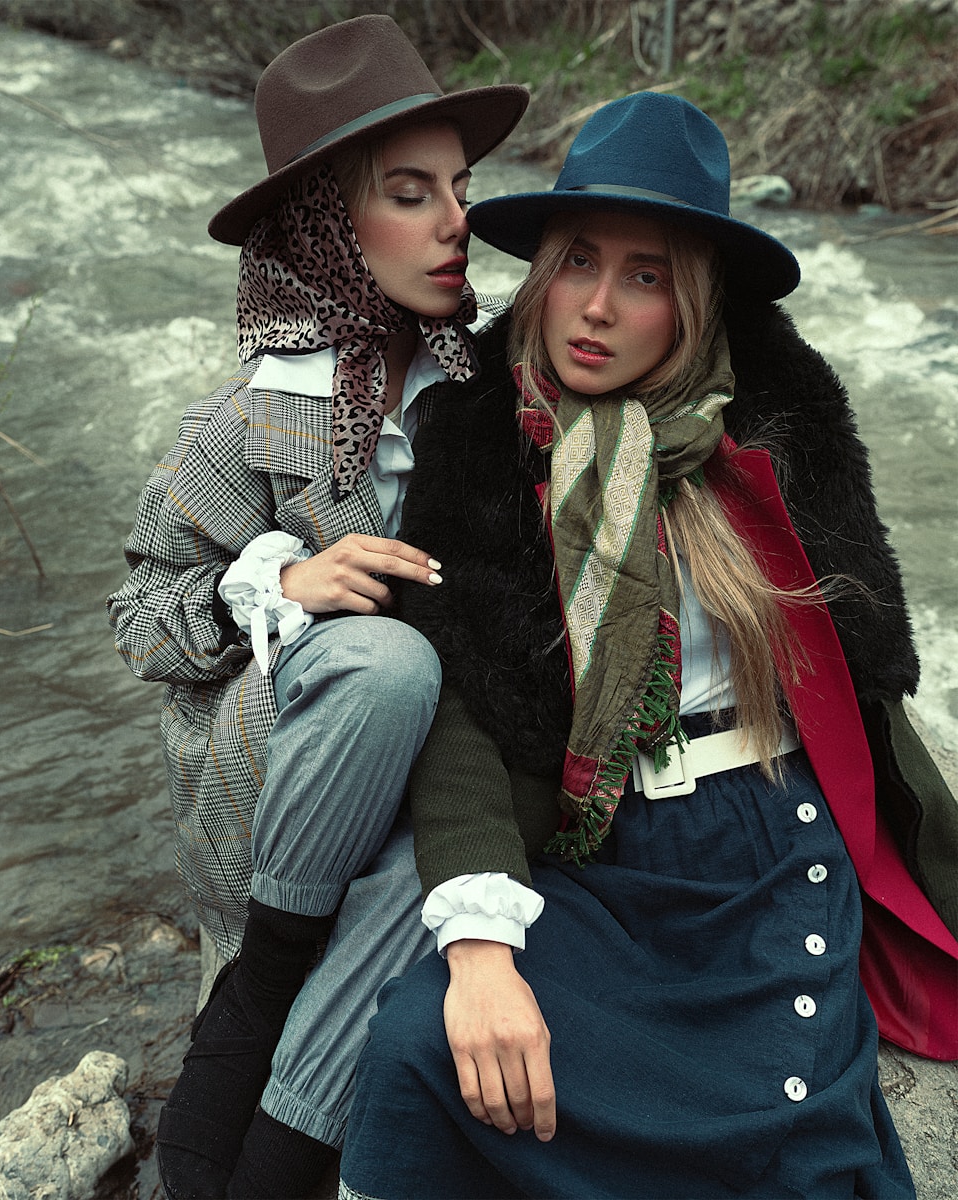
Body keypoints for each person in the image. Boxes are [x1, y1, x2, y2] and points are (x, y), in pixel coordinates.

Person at [336, 92, 958, 1199]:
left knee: (778, 1138)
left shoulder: (774, 429)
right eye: (579, 261)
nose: (596, 307)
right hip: (598, 850)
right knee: (424, 1049)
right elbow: (465, 695)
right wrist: (478, 948)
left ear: (693, 303)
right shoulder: (481, 435)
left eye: (645, 275)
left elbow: (863, 677)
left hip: (761, 843)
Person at [106, 15, 528, 1200]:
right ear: (325, 226)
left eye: (460, 188)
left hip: (424, 772)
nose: (457, 222)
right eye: (410, 193)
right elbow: (138, 619)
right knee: (386, 663)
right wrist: (280, 588)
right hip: (279, 781)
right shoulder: (239, 421)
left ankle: (278, 1154)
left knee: (438, 868)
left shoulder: (490, 389)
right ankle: (256, 985)